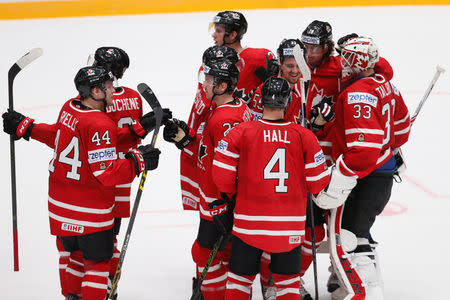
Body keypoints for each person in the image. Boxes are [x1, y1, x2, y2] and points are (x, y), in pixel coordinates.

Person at [2, 66, 161, 300]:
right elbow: (107, 173)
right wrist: (139, 161)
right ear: (95, 91)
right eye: (108, 87)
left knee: (75, 257)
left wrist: (28, 128)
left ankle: (72, 296)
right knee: (98, 264)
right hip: (90, 211)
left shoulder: (69, 108)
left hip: (60, 207)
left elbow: (61, 136)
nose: (112, 91)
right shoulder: (100, 123)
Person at [210, 77, 336, 300]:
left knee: (238, 283)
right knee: (288, 286)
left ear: (261, 101)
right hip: (289, 229)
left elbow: (221, 177)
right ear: (287, 102)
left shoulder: (241, 132)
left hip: (247, 226)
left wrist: (232, 198)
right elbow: (318, 184)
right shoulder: (304, 136)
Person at [298, 20, 396, 297]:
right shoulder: (295, 63)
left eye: (315, 45)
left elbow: (382, 70)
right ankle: (291, 279)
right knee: (315, 225)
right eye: (305, 44)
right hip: (317, 155)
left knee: (347, 228)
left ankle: (344, 275)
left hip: (344, 157)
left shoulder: (343, 69)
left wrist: (344, 169)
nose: (308, 50)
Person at [318, 37, 410, 300]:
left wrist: (339, 178)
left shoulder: (358, 94)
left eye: (346, 58)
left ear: (358, 63)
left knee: (348, 238)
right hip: (382, 175)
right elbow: (401, 132)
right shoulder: (387, 85)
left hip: (365, 177)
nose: (342, 64)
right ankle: (360, 288)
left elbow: (362, 153)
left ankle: (366, 293)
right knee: (358, 233)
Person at [163, 58, 252, 299]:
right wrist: (186, 140)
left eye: (210, 80)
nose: (205, 84)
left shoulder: (225, 119)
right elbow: (210, 153)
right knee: (211, 253)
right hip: (217, 199)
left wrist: (224, 203)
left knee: (207, 254)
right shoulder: (231, 108)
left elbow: (229, 166)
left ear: (222, 86)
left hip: (218, 201)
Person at [209, 10, 278, 98]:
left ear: (232, 35)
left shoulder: (259, 57)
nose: (213, 35)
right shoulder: (213, 61)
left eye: (218, 31)